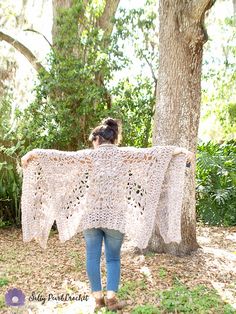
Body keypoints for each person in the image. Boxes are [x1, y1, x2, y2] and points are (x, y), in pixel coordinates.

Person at [21, 117, 194, 312]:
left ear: (97, 140)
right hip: (115, 217)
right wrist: (180, 152)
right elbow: (155, 155)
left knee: (92, 257)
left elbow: (59, 157)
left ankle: (97, 298)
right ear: (113, 139)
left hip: (91, 216)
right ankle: (111, 299)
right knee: (113, 258)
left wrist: (32, 154)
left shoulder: (89, 156)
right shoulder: (125, 155)